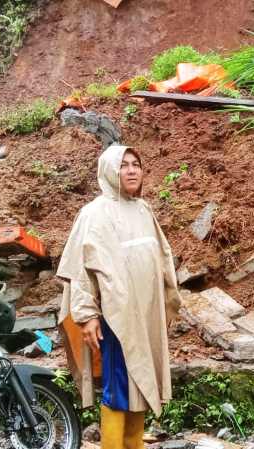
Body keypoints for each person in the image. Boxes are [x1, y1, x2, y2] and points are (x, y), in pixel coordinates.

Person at [57, 144, 181, 449]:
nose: (131, 170)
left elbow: (163, 257)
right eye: (123, 165)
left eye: (136, 164)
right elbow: (80, 269)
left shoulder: (144, 210)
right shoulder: (94, 213)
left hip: (146, 316)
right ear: (109, 171)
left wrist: (168, 300)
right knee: (119, 387)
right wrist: (87, 315)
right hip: (116, 320)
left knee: (141, 385)